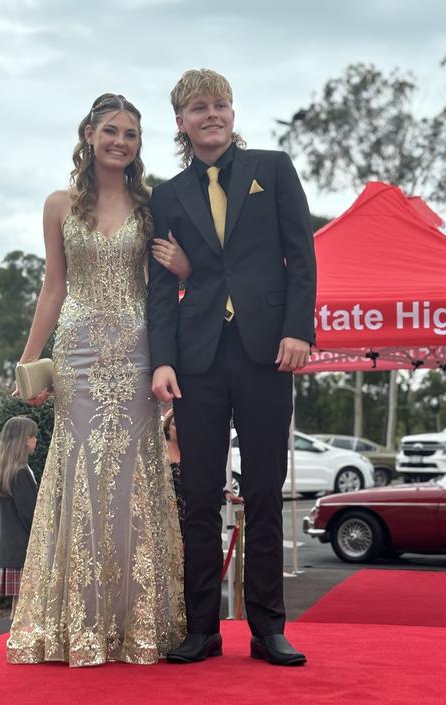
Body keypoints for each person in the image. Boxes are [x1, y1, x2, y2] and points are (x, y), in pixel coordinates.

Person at [7, 93, 190, 667]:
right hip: (80, 354)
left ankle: (137, 624)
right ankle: (76, 624)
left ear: (139, 145)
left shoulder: (153, 205)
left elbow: (168, 280)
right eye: (110, 130)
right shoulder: (59, 204)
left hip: (137, 352)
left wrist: (186, 272)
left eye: (131, 134)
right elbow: (53, 287)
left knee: (133, 476)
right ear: (88, 134)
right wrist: (30, 360)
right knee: (79, 471)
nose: (120, 141)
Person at [147, 69, 317, 666]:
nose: (212, 114)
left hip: (268, 350)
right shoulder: (166, 195)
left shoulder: (272, 169)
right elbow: (161, 290)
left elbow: (301, 255)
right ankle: (203, 629)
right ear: (181, 121)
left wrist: (299, 329)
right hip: (197, 362)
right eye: (199, 107)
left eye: (220, 104)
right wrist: (162, 361)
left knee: (266, 491)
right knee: (198, 496)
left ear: (232, 113)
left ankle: (269, 627)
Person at [0, 417, 39, 618]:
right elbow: (31, 514)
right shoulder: (21, 473)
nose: (36, 440)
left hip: (12, 550)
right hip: (24, 550)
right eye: (33, 436)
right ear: (25, 440)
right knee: (25, 610)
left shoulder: (6, 471)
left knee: (19, 607)